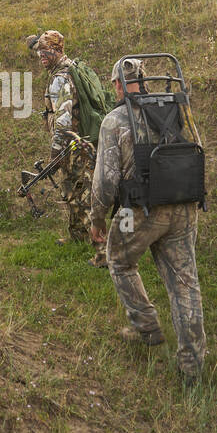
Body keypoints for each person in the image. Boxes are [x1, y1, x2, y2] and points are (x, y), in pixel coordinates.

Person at [90, 57, 206, 385]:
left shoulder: (114, 121)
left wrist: (97, 219)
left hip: (135, 213)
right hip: (183, 207)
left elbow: (105, 183)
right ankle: (192, 366)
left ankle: (147, 327)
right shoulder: (177, 108)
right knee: (185, 283)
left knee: (119, 260)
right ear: (144, 80)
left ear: (117, 84)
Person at [31, 30, 107, 267]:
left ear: (58, 50)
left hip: (74, 146)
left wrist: (54, 154)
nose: (42, 57)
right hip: (79, 143)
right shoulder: (69, 69)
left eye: (46, 52)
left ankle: (102, 253)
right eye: (40, 53)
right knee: (71, 191)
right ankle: (78, 237)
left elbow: (63, 120)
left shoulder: (60, 79)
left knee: (82, 197)